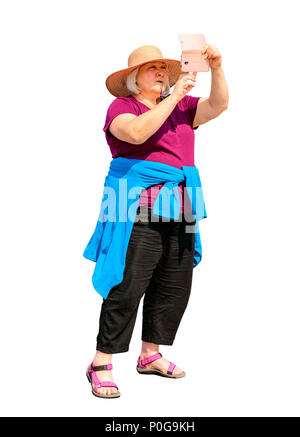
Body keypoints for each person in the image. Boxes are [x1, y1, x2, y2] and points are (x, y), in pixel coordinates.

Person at [85, 44, 229, 398]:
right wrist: (175, 94)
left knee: (174, 285)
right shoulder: (123, 107)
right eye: (153, 69)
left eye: (164, 68)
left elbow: (219, 105)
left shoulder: (183, 108)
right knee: (128, 284)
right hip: (138, 207)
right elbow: (135, 134)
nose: (162, 73)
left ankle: (150, 355)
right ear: (134, 79)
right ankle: (101, 362)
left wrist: (218, 68)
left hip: (182, 206)